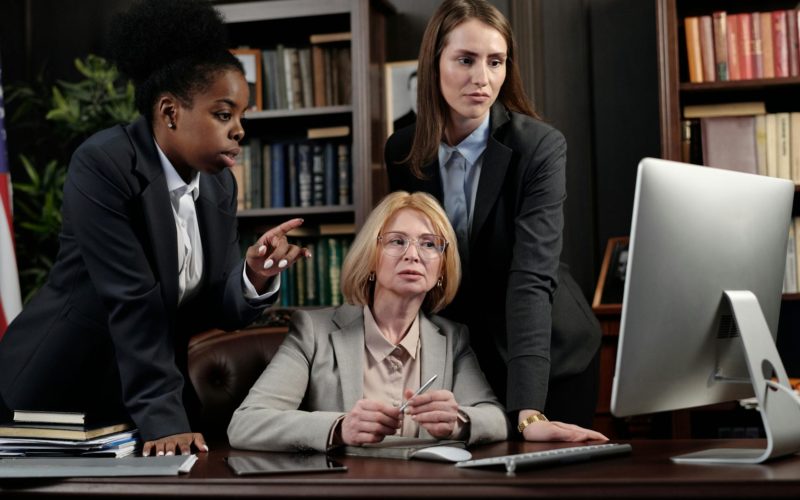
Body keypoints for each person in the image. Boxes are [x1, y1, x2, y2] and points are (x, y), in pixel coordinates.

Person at [0, 0, 307, 457]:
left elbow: (214, 306)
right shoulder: (104, 163)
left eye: (243, 116)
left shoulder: (219, 186)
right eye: (224, 115)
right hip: (58, 395)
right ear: (169, 112)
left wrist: (254, 274)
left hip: (142, 400)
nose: (240, 130)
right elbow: (133, 300)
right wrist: (165, 422)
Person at [385, 0, 604, 440]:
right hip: (462, 359)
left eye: (495, 61)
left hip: (547, 356)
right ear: (434, 64)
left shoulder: (539, 148)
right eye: (465, 60)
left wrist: (529, 412)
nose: (482, 78)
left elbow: (530, 278)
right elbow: (411, 266)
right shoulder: (403, 150)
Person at [228, 191, 508, 452]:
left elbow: (496, 418)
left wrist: (458, 421)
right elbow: (246, 423)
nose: (413, 254)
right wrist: (339, 427)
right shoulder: (314, 332)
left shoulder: (453, 339)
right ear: (371, 259)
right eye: (397, 241)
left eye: (429, 244)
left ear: (442, 269)